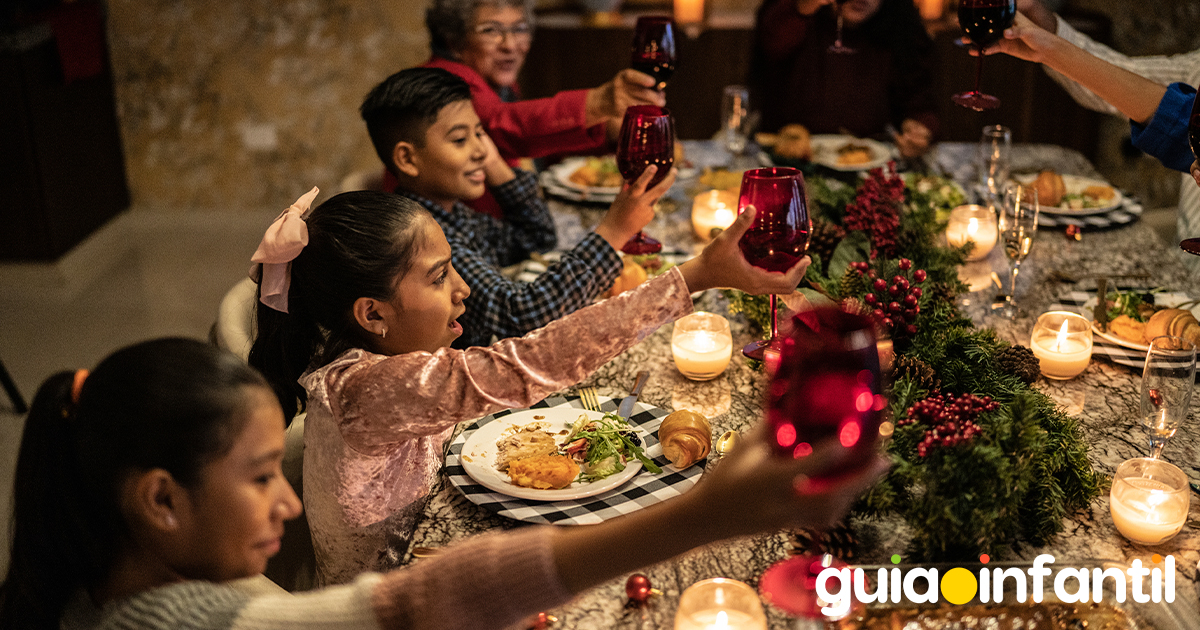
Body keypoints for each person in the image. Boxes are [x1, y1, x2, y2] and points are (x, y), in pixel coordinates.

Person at [0, 337, 889, 630]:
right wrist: (700, 515)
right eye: (263, 476)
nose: (290, 503)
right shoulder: (174, 623)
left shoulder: (96, 581)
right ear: (160, 500)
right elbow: (412, 605)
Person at [247, 186, 811, 585]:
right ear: (372, 314)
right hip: (395, 601)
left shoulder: (367, 356)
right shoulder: (371, 390)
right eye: (439, 277)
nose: (463, 289)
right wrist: (696, 275)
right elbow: (528, 363)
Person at [362, 66, 672, 349]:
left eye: (479, 133)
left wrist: (497, 167)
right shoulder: (424, 237)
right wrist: (613, 231)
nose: (480, 150)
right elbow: (520, 315)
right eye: (459, 140)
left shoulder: (455, 213)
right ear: (407, 159)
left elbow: (535, 238)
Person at [988, 0, 1200, 271]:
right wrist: (1051, 40)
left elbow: (1176, 120)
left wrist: (1052, 48)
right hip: (1185, 270)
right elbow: (1143, 95)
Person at [750, 0, 938, 159]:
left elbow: (919, 103)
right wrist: (802, 8)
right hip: (786, 163)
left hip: (868, 164)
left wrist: (919, 130)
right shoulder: (793, 16)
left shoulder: (900, 28)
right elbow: (771, 45)